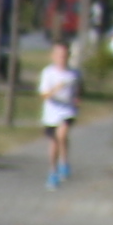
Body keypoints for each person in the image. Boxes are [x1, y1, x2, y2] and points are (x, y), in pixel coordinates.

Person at [42, 40, 82, 190]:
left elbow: (78, 91)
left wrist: (77, 99)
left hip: (67, 111)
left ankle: (64, 162)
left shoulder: (74, 74)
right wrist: (57, 88)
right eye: (59, 55)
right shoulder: (48, 73)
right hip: (51, 113)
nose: (61, 58)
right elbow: (44, 95)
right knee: (53, 144)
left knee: (62, 134)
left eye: (64, 55)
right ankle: (53, 172)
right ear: (53, 56)